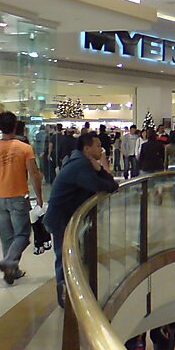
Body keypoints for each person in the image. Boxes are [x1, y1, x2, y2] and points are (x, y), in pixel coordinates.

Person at [44, 131, 118, 307]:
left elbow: (106, 182)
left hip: (65, 216)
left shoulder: (83, 162)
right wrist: (102, 173)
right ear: (87, 148)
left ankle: (69, 291)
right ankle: (64, 296)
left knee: (68, 253)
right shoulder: (80, 165)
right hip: (61, 218)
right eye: (98, 145)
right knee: (63, 255)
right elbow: (104, 185)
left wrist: (99, 169)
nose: (101, 148)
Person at [0, 112, 44, 285]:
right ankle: (9, 263)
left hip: (0, 197)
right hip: (18, 197)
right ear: (15, 125)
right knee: (23, 235)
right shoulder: (24, 148)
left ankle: (12, 271)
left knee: (7, 237)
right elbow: (34, 173)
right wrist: (39, 197)